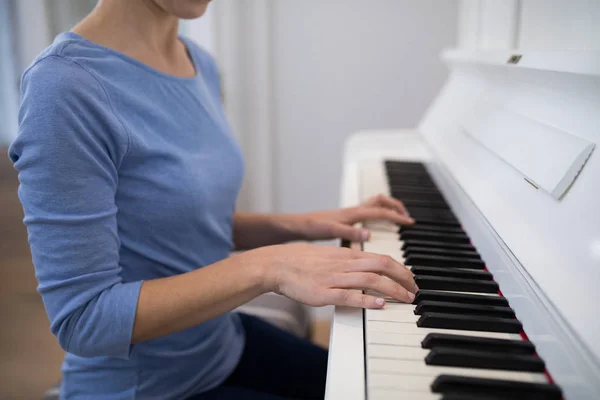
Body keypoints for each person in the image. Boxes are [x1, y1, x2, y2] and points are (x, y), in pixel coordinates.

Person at [8, 0, 418, 399]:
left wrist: (303, 224)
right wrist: (267, 267)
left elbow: (180, 220)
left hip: (219, 345)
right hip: (142, 387)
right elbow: (85, 320)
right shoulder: (63, 87)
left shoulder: (198, 62)